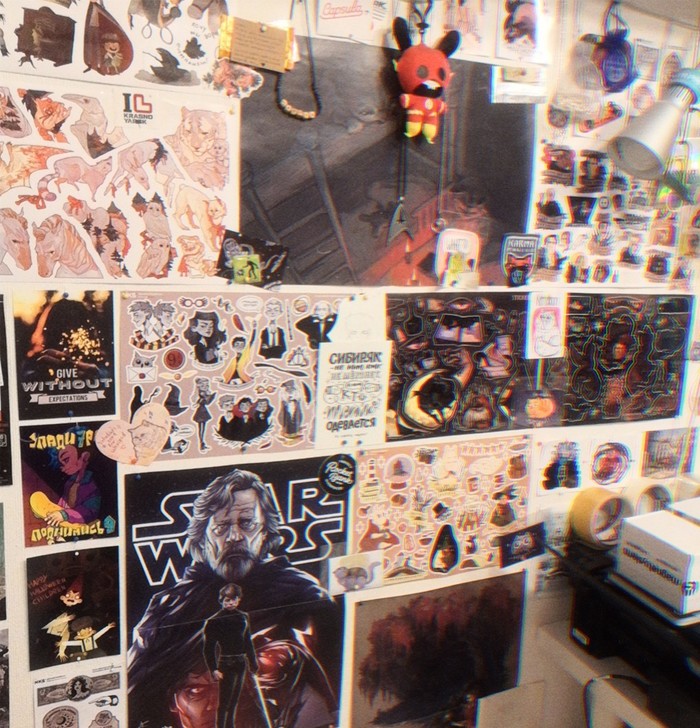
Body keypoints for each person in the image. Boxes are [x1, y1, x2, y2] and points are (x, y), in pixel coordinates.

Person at [127, 469, 339, 728]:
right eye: (221, 527)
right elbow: (133, 692)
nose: (235, 537)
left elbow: (332, 679)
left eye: (247, 523)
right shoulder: (170, 608)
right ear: (202, 537)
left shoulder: (302, 593)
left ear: (265, 531)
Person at [203, 584, 259, 728]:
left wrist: (253, 662)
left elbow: (247, 641)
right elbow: (209, 648)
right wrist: (214, 669)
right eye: (227, 600)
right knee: (225, 703)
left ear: (239, 599)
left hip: (241, 662)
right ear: (221, 600)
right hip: (226, 663)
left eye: (234, 600)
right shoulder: (214, 621)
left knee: (234, 701)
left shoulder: (243, 617)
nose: (230, 603)